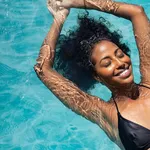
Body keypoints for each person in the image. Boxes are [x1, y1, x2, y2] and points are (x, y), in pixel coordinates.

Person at [34, 0, 150, 149]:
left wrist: (73, 2)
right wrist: (59, 19)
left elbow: (137, 12)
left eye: (120, 55)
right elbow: (42, 69)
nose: (120, 63)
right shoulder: (105, 113)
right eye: (107, 63)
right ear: (97, 76)